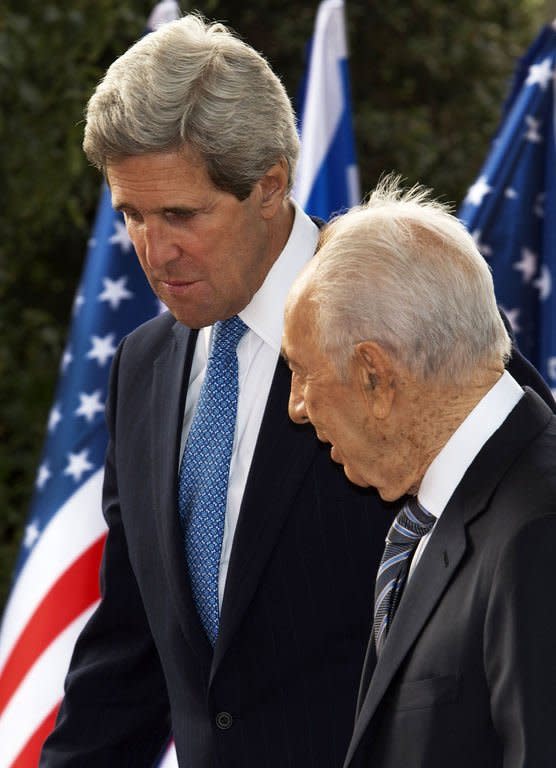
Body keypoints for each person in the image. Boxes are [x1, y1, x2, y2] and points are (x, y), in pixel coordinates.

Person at [282, 176, 556, 768]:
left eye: (303, 373)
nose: (296, 406)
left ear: (376, 377)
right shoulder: (457, 509)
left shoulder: (538, 529)